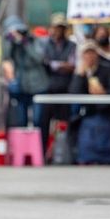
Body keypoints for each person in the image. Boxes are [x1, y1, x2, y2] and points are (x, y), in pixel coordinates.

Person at [1, 15, 48, 132]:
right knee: (21, 121)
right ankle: (23, 147)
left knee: (38, 121)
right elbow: (6, 57)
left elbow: (39, 58)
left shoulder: (35, 40)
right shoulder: (13, 44)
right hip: (21, 86)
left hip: (38, 86)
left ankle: (39, 146)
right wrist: (10, 41)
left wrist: (24, 42)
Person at [41, 13, 78, 153]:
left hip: (65, 88)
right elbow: (44, 62)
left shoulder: (71, 45)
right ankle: (44, 152)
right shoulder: (45, 44)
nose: (57, 31)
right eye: (55, 27)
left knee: (64, 122)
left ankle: (64, 153)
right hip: (47, 88)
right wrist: (60, 65)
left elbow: (72, 65)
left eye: (60, 28)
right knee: (43, 123)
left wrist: (55, 65)